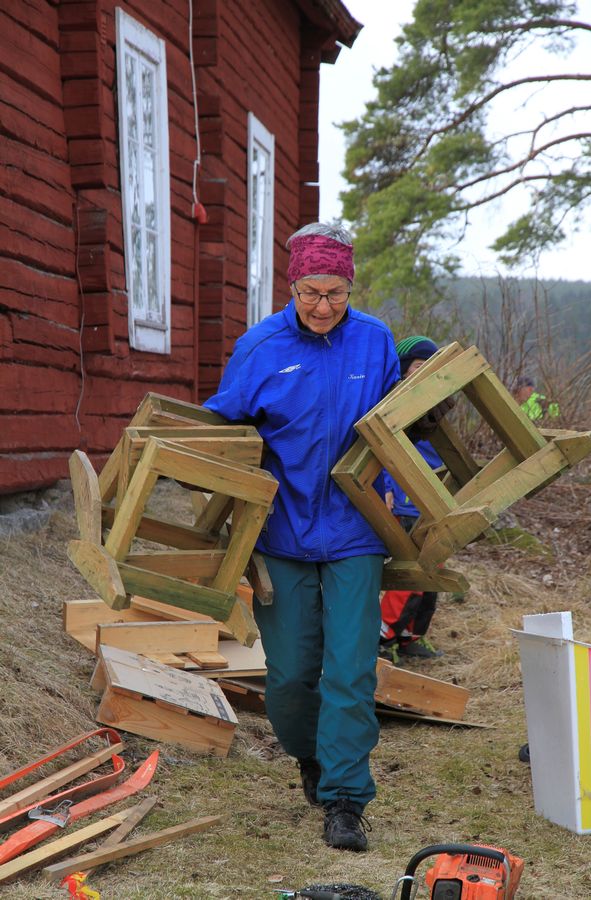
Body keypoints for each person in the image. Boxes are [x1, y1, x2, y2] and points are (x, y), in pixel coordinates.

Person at [203, 223, 400, 852]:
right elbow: (222, 424)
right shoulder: (259, 347)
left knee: (350, 671)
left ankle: (345, 798)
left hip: (355, 530)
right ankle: (312, 756)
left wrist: (404, 488)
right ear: (292, 285)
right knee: (288, 677)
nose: (323, 306)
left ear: (350, 287)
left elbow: (404, 422)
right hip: (281, 531)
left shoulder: (373, 342)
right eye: (313, 292)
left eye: (337, 293)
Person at [381, 336, 444, 661]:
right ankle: (384, 638)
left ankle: (410, 637)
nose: (423, 373)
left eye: (428, 367)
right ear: (405, 370)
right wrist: (388, 487)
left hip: (435, 501)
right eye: (418, 366)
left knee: (431, 574)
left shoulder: (437, 403)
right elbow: (386, 452)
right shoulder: (397, 404)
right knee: (409, 574)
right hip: (407, 502)